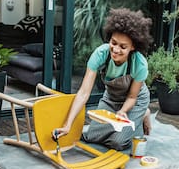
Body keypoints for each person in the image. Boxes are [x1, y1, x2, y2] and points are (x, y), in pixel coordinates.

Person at [53, 8, 153, 151]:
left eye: (123, 47)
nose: (116, 50)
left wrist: (123, 111)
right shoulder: (101, 54)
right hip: (111, 98)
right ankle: (130, 123)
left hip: (135, 101)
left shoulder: (140, 63)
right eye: (113, 42)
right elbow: (83, 93)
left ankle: (143, 114)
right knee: (92, 136)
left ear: (133, 47)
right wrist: (67, 124)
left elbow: (132, 96)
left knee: (118, 142)